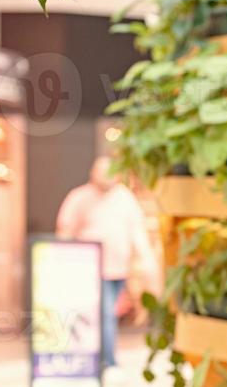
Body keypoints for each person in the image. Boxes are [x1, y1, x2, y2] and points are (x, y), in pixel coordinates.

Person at [54, 157, 159, 374]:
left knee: (106, 314)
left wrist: (148, 263)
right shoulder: (80, 197)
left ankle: (100, 360)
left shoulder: (124, 198)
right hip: (88, 269)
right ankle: (107, 362)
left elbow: (136, 233)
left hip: (117, 270)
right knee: (103, 315)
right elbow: (65, 231)